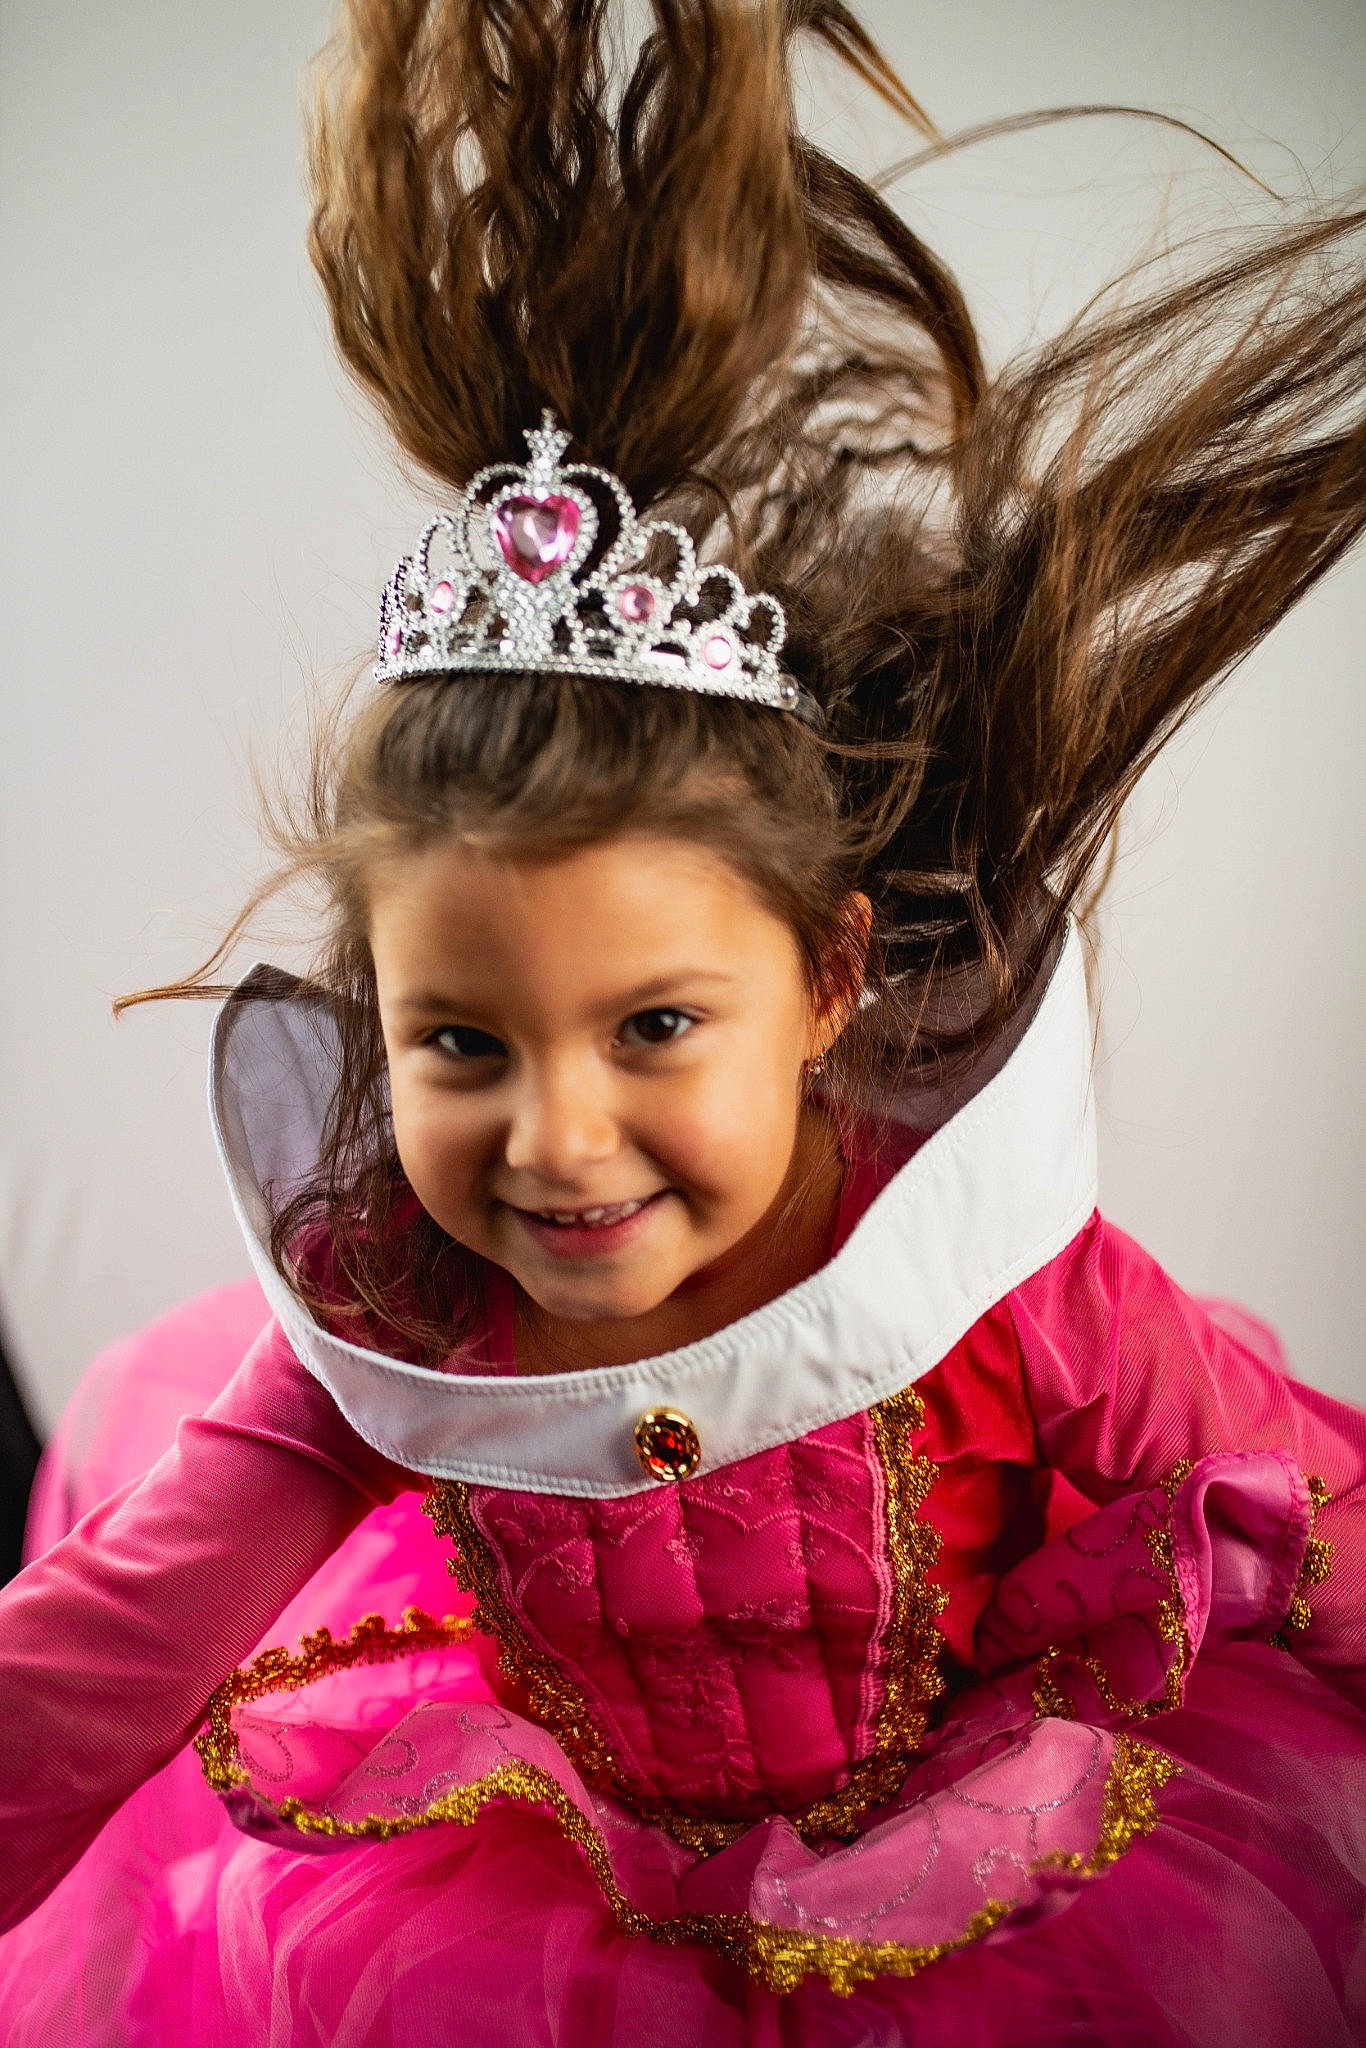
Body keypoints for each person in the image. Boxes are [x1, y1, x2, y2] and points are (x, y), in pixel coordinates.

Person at [2, 2, 1365, 2042]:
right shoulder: (397, 1324)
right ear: (375, 1019)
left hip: (989, 1871)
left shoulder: (984, 1273)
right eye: (460, 1043)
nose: (555, 1141)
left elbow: (1300, 1499)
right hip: (544, 1892)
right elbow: (96, 1657)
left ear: (821, 980)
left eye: (650, 1024)